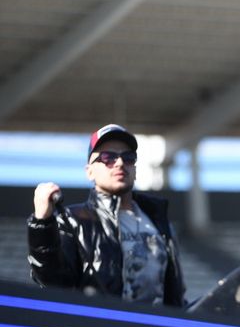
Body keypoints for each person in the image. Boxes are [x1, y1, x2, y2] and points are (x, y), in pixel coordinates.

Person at [27, 124, 186, 307]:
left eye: (128, 158)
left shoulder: (160, 223)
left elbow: (176, 296)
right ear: (89, 171)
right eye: (107, 157)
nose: (119, 163)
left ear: (134, 168)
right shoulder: (72, 219)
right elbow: (53, 282)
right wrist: (41, 222)